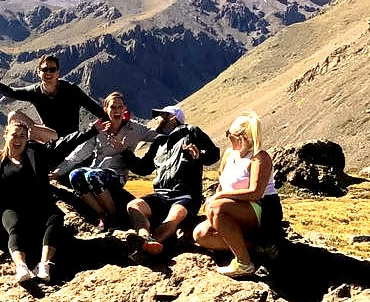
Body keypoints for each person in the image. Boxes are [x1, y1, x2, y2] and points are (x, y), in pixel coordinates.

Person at [0, 112, 89, 284]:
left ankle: (44, 265)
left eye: (22, 136)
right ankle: (21, 267)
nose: (18, 139)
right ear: (6, 136)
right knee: (14, 225)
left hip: (38, 207)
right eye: (14, 135)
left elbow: (64, 143)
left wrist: (92, 130)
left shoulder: (36, 155)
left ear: (27, 139)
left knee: (55, 218)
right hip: (9, 208)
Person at [192, 111, 282, 278]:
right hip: (234, 209)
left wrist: (219, 198)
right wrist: (216, 200)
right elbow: (221, 182)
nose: (228, 138)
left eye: (229, 134)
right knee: (201, 235)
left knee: (218, 208)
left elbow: (255, 193)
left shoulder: (259, 158)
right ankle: (257, 246)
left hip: (263, 209)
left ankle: (244, 262)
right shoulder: (229, 154)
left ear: (241, 137)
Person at [121, 105, 220, 255]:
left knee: (176, 214)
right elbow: (143, 168)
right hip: (161, 195)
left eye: (159, 116)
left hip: (186, 195)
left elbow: (214, 154)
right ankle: (145, 238)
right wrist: (124, 153)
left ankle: (149, 247)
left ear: (172, 118)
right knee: (134, 205)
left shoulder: (191, 132)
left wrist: (200, 156)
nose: (156, 120)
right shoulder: (158, 143)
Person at [58, 91, 157, 229]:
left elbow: (157, 136)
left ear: (124, 109)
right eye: (113, 107)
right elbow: (79, 154)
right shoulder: (99, 128)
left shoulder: (135, 128)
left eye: (120, 107)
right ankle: (102, 214)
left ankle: (114, 216)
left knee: (92, 176)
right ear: (106, 109)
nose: (117, 110)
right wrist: (57, 172)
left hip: (117, 175)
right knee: (74, 175)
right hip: (95, 170)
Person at [0, 54, 104, 137]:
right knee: (13, 115)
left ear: (58, 72)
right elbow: (11, 92)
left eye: (52, 70)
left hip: (68, 138)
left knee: (33, 132)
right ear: (38, 72)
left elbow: (94, 108)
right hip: (45, 134)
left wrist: (119, 124)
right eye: (44, 70)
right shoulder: (35, 91)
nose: (48, 73)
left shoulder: (71, 90)